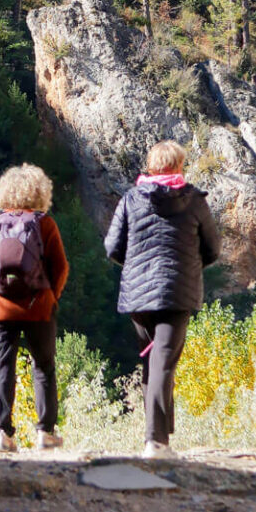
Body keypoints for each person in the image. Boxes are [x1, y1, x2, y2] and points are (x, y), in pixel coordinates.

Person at [104, 139, 221, 458]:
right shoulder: (195, 201)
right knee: (163, 364)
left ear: (152, 165)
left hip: (138, 298)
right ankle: (156, 442)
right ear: (178, 167)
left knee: (152, 364)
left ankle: (160, 436)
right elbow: (213, 249)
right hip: (176, 294)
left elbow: (112, 247)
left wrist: (135, 269)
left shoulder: (130, 199)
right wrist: (189, 267)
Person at [0, 163, 69, 453]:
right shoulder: (44, 223)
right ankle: (45, 433)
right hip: (39, 307)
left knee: (2, 367)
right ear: (40, 193)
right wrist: (51, 297)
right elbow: (60, 268)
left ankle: (3, 434)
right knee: (44, 367)